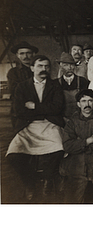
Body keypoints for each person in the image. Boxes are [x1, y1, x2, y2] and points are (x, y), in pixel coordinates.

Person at [6, 55, 65, 200]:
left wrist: (34, 106)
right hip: (28, 125)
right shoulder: (22, 86)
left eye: (46, 66)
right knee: (13, 155)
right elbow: (19, 111)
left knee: (59, 149)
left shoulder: (55, 85)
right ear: (32, 68)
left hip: (50, 124)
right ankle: (29, 182)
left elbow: (57, 108)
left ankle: (47, 179)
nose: (43, 69)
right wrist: (44, 109)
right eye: (40, 66)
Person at [7, 41, 38, 128]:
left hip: (38, 110)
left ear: (33, 54)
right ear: (17, 55)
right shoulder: (13, 73)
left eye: (28, 53)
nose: (25, 56)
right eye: (22, 53)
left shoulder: (39, 70)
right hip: (20, 111)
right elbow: (15, 91)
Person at [55, 52, 89, 120]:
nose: (69, 68)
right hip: (62, 119)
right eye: (65, 65)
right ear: (60, 66)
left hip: (81, 118)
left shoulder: (83, 81)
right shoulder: (55, 83)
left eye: (71, 65)